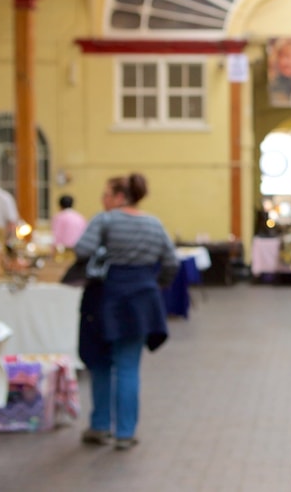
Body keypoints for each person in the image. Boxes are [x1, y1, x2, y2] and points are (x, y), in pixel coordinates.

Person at [73, 173, 178, 451]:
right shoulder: (154, 224)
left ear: (120, 197)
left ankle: (99, 426)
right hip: (142, 300)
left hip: (105, 298)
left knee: (100, 364)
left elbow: (82, 249)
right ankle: (125, 432)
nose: (103, 200)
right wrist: (156, 285)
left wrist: (105, 253)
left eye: (106, 194)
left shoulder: (105, 220)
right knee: (128, 366)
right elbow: (171, 262)